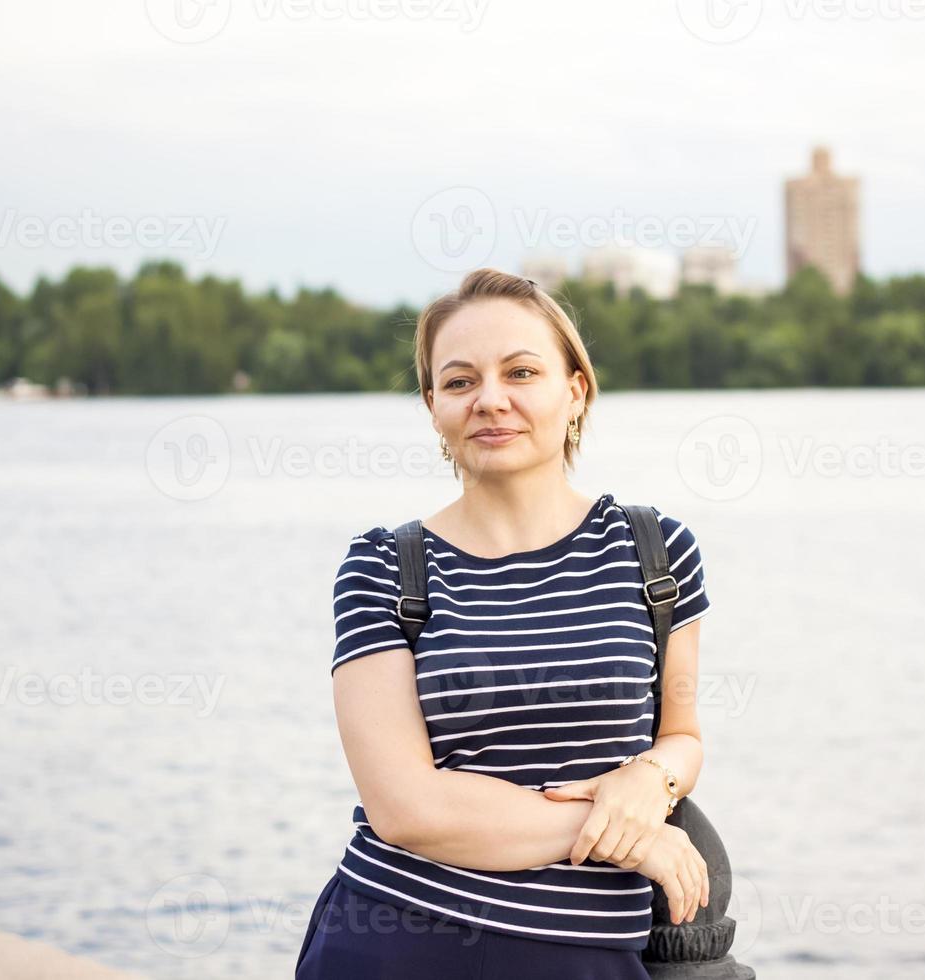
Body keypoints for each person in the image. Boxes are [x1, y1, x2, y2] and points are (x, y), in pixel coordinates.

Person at [296, 268, 714, 979]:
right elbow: (405, 807)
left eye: (521, 371)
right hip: (397, 946)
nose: (491, 400)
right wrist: (626, 837)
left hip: (589, 958)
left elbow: (681, 734)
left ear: (575, 390)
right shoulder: (382, 568)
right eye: (459, 383)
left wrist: (653, 779)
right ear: (433, 407)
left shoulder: (655, 551)